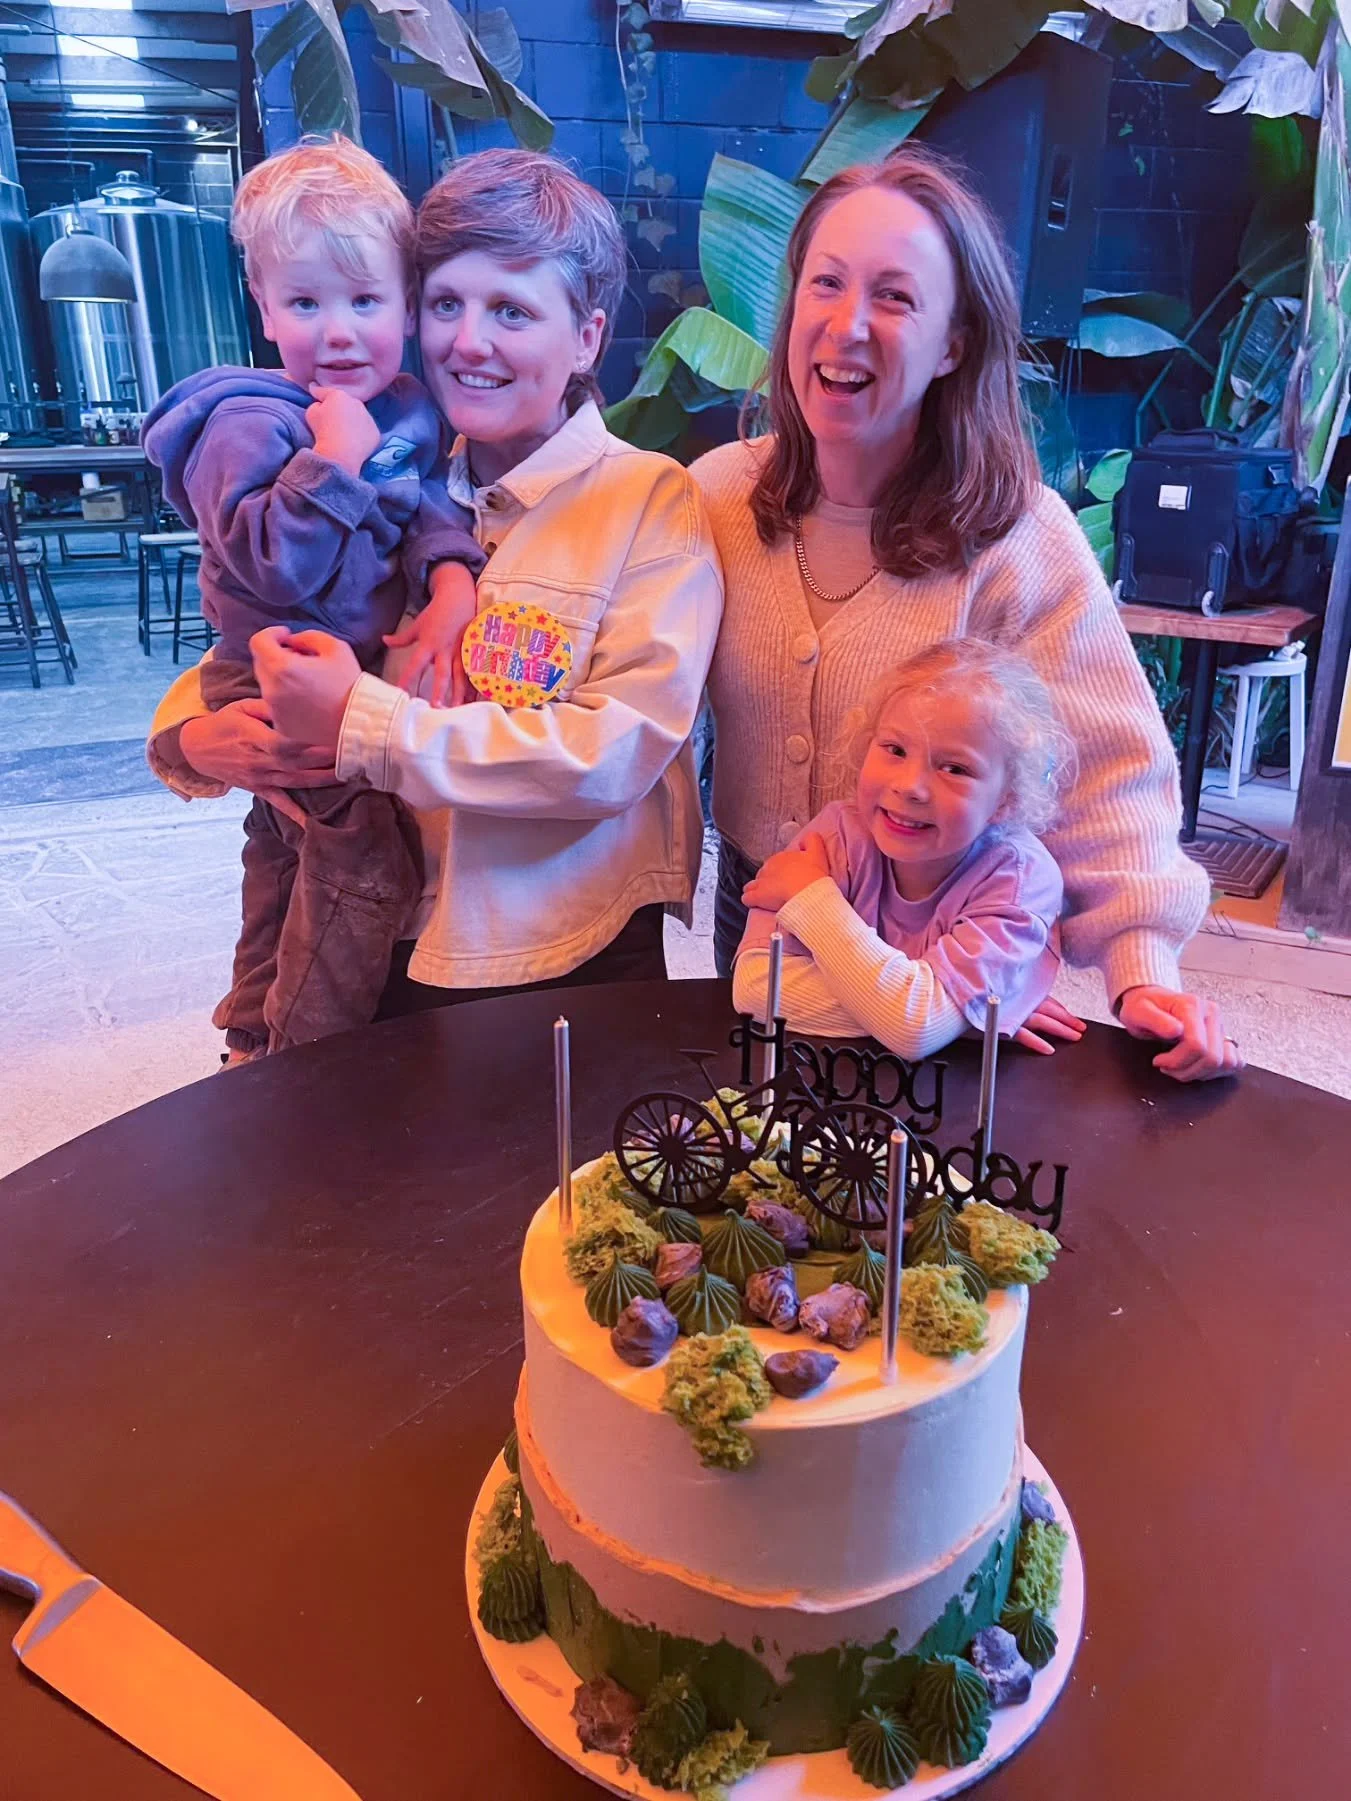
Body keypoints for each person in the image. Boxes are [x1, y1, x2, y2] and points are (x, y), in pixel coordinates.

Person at [694, 145, 1241, 1083]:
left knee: (926, 1166)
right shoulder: (713, 498)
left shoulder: (1017, 534)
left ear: (953, 343)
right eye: (826, 282)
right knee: (762, 1145)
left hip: (944, 923)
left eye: (894, 297)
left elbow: (1108, 764)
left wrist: (1134, 966)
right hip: (768, 910)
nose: (847, 324)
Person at [148, 149, 723, 1019]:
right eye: (447, 303)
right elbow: (274, 618)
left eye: (511, 310)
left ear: (587, 338)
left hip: (566, 958)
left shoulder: (646, 499)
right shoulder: (386, 473)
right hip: (378, 951)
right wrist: (192, 738)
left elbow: (612, 753)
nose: (467, 341)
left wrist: (364, 721)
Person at [143, 137, 484, 1060]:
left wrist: (451, 575)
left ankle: (249, 1036)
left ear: (405, 304)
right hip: (268, 673)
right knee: (365, 865)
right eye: (305, 303)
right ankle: (303, 1067)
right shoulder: (246, 422)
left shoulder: (405, 408)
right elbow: (270, 568)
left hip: (344, 675)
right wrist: (332, 459)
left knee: (283, 860)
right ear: (263, 307)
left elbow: (425, 507)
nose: (339, 333)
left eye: (364, 301)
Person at [733, 639, 1068, 1060]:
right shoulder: (836, 836)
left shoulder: (1019, 879)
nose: (910, 786)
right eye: (895, 749)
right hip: (841, 1080)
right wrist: (961, 1019)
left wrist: (812, 898)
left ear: (1007, 799)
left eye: (955, 768)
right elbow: (756, 989)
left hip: (954, 1090)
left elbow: (915, 1029)